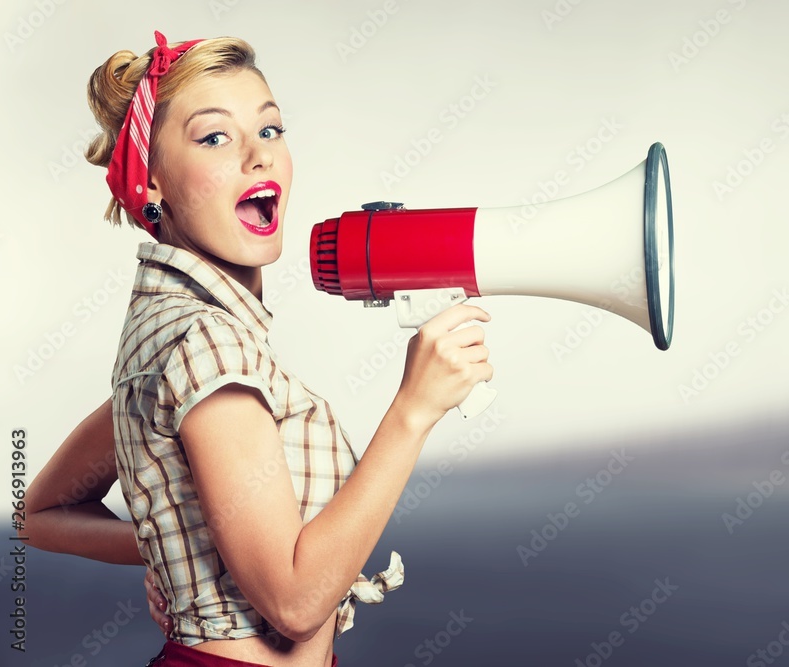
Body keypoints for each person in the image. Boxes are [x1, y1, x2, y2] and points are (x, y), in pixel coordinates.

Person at [24, 31, 493, 667]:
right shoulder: (208, 343)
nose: (259, 156)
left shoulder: (167, 330)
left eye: (270, 129)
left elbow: (42, 514)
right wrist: (414, 410)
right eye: (214, 136)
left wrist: (185, 546)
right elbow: (295, 604)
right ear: (151, 182)